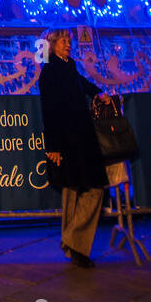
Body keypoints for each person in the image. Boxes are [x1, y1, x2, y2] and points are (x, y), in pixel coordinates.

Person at [38, 30, 113, 269]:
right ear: (52, 45)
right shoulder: (49, 73)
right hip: (68, 139)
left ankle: (73, 241)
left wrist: (98, 93)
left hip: (81, 136)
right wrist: (54, 146)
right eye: (63, 42)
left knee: (89, 189)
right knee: (77, 190)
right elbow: (49, 111)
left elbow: (81, 82)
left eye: (69, 41)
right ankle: (76, 244)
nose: (68, 45)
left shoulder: (68, 66)